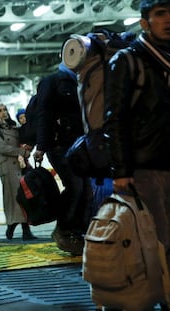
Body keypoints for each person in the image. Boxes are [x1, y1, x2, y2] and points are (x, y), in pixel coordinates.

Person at [104, 0, 170, 292]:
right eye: (160, 14)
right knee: (158, 240)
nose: (168, 20)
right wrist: (121, 169)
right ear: (144, 22)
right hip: (146, 167)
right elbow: (115, 118)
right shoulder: (128, 60)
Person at [33, 62, 93, 256]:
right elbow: (43, 114)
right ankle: (63, 230)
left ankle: (77, 232)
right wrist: (41, 146)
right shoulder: (51, 82)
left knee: (86, 189)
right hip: (59, 145)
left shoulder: (83, 80)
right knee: (75, 186)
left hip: (80, 144)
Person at [0, 103, 37, 241]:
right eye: (0, 111)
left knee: (23, 196)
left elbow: (23, 141)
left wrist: (27, 150)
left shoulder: (14, 127)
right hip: (7, 166)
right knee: (13, 197)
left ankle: (19, 227)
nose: (4, 113)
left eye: (5, 110)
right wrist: (23, 152)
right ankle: (15, 226)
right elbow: (3, 148)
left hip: (20, 165)